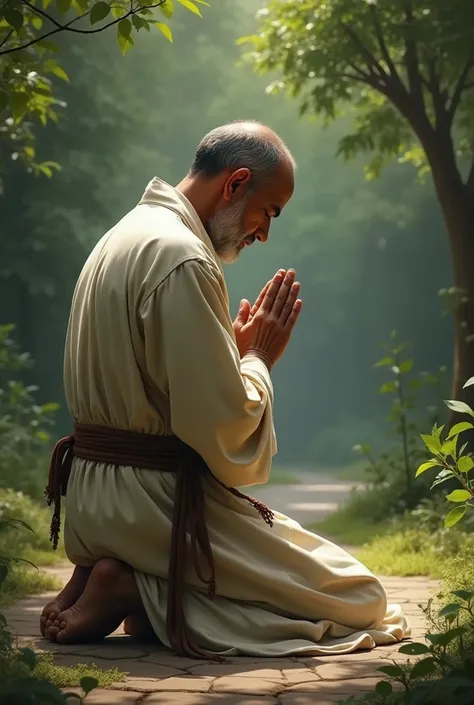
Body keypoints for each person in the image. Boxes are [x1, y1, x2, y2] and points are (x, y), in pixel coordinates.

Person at [40, 121, 409, 657]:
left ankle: (124, 582)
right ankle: (134, 587)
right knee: (361, 598)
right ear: (236, 184)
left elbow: (157, 388)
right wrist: (258, 359)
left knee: (322, 588)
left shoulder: (125, 234)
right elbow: (223, 432)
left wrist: (225, 357)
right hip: (151, 505)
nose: (264, 232)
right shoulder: (182, 256)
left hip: (95, 501)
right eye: (270, 211)